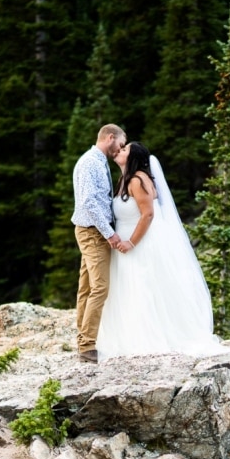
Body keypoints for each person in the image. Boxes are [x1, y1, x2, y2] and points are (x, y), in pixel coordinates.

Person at [96, 142, 222, 359]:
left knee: (143, 287)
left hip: (140, 242)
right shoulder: (125, 180)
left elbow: (148, 215)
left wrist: (131, 242)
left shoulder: (137, 180)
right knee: (128, 288)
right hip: (124, 241)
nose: (119, 151)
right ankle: (130, 334)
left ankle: (148, 338)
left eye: (124, 150)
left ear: (133, 157)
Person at [72, 123, 127, 363]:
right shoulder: (89, 162)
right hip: (93, 232)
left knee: (86, 287)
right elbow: (89, 202)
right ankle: (87, 345)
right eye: (121, 145)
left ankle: (83, 340)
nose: (120, 150)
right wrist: (109, 234)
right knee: (100, 288)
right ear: (110, 137)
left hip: (93, 231)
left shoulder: (98, 160)